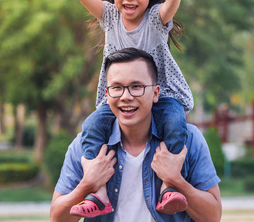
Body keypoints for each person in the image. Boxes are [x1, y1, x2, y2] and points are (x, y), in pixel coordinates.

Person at [23, 0, 193, 217]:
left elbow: (169, 9)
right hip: (116, 96)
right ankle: (98, 192)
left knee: (174, 123)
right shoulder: (110, 17)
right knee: (91, 126)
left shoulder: (154, 19)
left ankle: (169, 187)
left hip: (162, 94)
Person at [49, 48, 222, 222]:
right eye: (117, 88)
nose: (126, 96)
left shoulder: (188, 139)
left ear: (155, 93)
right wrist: (87, 185)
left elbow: (212, 217)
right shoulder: (86, 145)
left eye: (136, 87)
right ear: (107, 95)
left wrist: (176, 180)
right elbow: (57, 219)